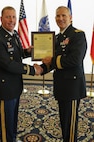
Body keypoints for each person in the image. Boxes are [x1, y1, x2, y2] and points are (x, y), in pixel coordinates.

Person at [0, 6, 42, 142]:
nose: (11, 20)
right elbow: (8, 64)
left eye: (13, 17)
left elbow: (17, 55)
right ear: (1, 19)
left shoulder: (15, 34)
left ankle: (11, 138)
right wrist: (32, 70)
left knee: (13, 118)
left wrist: (29, 52)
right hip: (5, 88)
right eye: (8, 17)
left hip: (15, 86)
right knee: (6, 121)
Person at [40, 6, 87, 142]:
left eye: (64, 15)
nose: (60, 19)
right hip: (61, 85)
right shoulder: (56, 38)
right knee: (64, 119)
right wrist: (40, 69)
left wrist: (52, 61)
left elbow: (75, 60)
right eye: (58, 16)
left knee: (70, 123)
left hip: (72, 87)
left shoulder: (78, 35)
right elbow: (51, 61)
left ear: (70, 18)